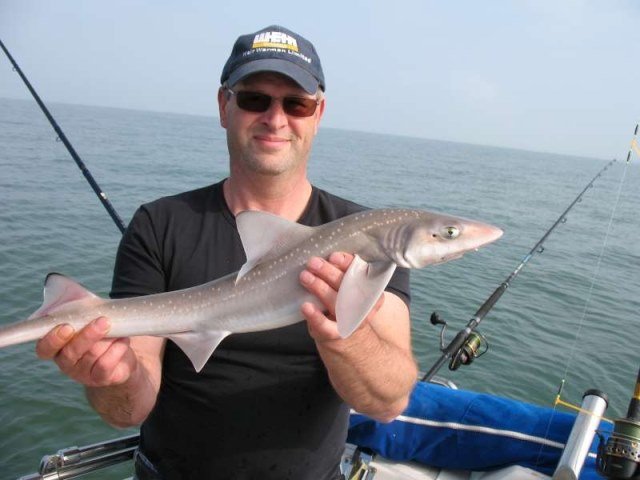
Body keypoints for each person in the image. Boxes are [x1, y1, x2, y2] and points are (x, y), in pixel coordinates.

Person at [35, 25, 418, 479]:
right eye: (256, 99)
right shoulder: (160, 226)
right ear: (224, 106)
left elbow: (387, 402)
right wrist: (113, 377)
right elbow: (127, 409)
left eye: (296, 103)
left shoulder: (367, 236)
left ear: (318, 113)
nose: (275, 119)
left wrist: (343, 334)